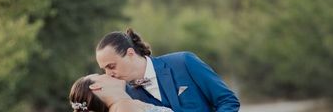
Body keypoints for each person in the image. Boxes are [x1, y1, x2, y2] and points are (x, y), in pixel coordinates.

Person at [95, 28, 239, 112]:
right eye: (104, 69)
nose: (109, 74)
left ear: (130, 53)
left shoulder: (184, 62)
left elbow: (228, 100)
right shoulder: (128, 99)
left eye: (111, 66)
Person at [69, 73, 173, 112]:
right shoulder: (123, 108)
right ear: (96, 86)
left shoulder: (124, 105)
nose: (107, 73)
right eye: (100, 75)